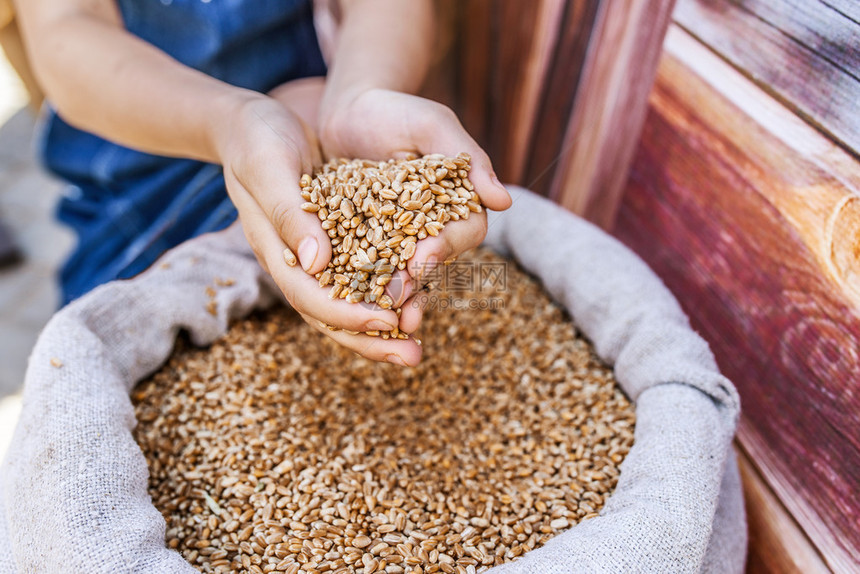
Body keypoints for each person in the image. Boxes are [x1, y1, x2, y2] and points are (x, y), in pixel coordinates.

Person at [13, 0, 512, 366]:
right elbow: (66, 27)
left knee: (448, 296)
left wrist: (359, 93)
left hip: (308, 124)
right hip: (138, 178)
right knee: (96, 350)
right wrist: (232, 122)